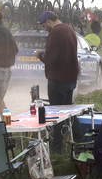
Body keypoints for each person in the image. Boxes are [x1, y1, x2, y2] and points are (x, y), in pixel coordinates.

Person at [34, 11, 81, 154]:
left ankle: (56, 148)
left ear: (48, 21)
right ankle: (79, 142)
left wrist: (39, 54)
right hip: (71, 78)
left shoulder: (55, 33)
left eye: (43, 25)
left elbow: (50, 58)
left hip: (58, 80)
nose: (44, 28)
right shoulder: (69, 30)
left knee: (57, 115)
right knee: (69, 112)